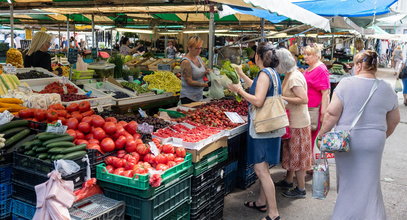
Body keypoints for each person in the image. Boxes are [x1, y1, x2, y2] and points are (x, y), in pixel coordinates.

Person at [317, 50, 400, 220]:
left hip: (347, 141)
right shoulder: (386, 88)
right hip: (374, 141)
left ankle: (345, 215)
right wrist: (380, 136)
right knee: (370, 181)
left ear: (360, 65)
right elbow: (394, 120)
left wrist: (321, 135)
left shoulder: (345, 84)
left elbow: (332, 114)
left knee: (348, 181)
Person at [228, 42, 281, 220]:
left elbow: (257, 100)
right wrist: (241, 74)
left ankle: (273, 214)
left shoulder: (264, 74)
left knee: (261, 170)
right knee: (264, 167)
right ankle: (261, 201)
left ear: (257, 56)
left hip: (262, 127)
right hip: (270, 126)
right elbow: (258, 88)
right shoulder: (271, 73)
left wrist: (239, 91)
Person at [274, 48, 312, 198]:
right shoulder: (290, 74)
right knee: (291, 154)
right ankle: (288, 181)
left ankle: (301, 189)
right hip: (293, 122)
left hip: (299, 123)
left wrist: (283, 99)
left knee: (298, 158)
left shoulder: (294, 78)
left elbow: (304, 99)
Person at [303, 45, 330, 151]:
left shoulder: (321, 69)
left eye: (308, 54)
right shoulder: (310, 67)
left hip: (314, 109)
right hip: (307, 107)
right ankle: (308, 162)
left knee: (310, 137)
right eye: (304, 54)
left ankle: (309, 163)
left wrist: (323, 113)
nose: (305, 57)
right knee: (307, 137)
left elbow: (326, 93)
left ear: (317, 56)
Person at [179, 36, 209, 104]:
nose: (199, 50)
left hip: (199, 95)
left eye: (200, 48)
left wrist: (208, 72)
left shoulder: (199, 58)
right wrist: (205, 85)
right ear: (189, 48)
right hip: (188, 97)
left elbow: (205, 70)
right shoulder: (186, 62)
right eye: (196, 48)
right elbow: (189, 81)